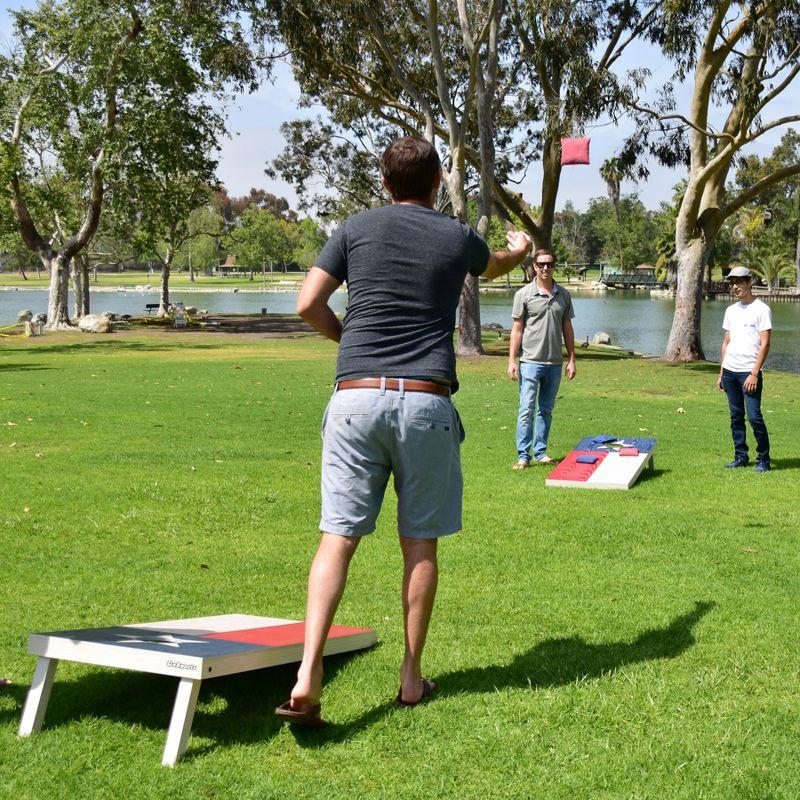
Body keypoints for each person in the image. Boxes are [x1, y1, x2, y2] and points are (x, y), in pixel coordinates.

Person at [274, 136, 532, 725]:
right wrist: (518, 249)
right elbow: (493, 265)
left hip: (355, 401)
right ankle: (411, 677)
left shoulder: (354, 227)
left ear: (386, 183)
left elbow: (307, 302)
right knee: (419, 543)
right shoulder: (455, 234)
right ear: (437, 180)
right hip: (424, 401)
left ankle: (308, 668)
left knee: (337, 536)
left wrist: (352, 346)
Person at [507, 249, 576, 469]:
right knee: (526, 409)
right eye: (541, 264)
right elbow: (517, 330)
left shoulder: (563, 295)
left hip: (554, 364)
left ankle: (540, 451)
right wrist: (511, 360)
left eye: (550, 264)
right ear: (534, 266)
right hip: (529, 362)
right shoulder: (524, 295)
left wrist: (572, 359)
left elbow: (568, 328)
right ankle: (523, 456)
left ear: (555, 266)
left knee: (545, 410)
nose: (545, 268)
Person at [717, 266, 771, 472]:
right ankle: (741, 456)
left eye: (740, 282)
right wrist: (722, 372)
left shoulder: (762, 309)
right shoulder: (730, 311)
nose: (735, 286)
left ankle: (763, 459)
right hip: (730, 371)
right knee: (736, 416)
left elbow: (765, 344)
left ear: (750, 282)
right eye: (732, 283)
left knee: (754, 416)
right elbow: (726, 343)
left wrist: (754, 373)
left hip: (749, 373)